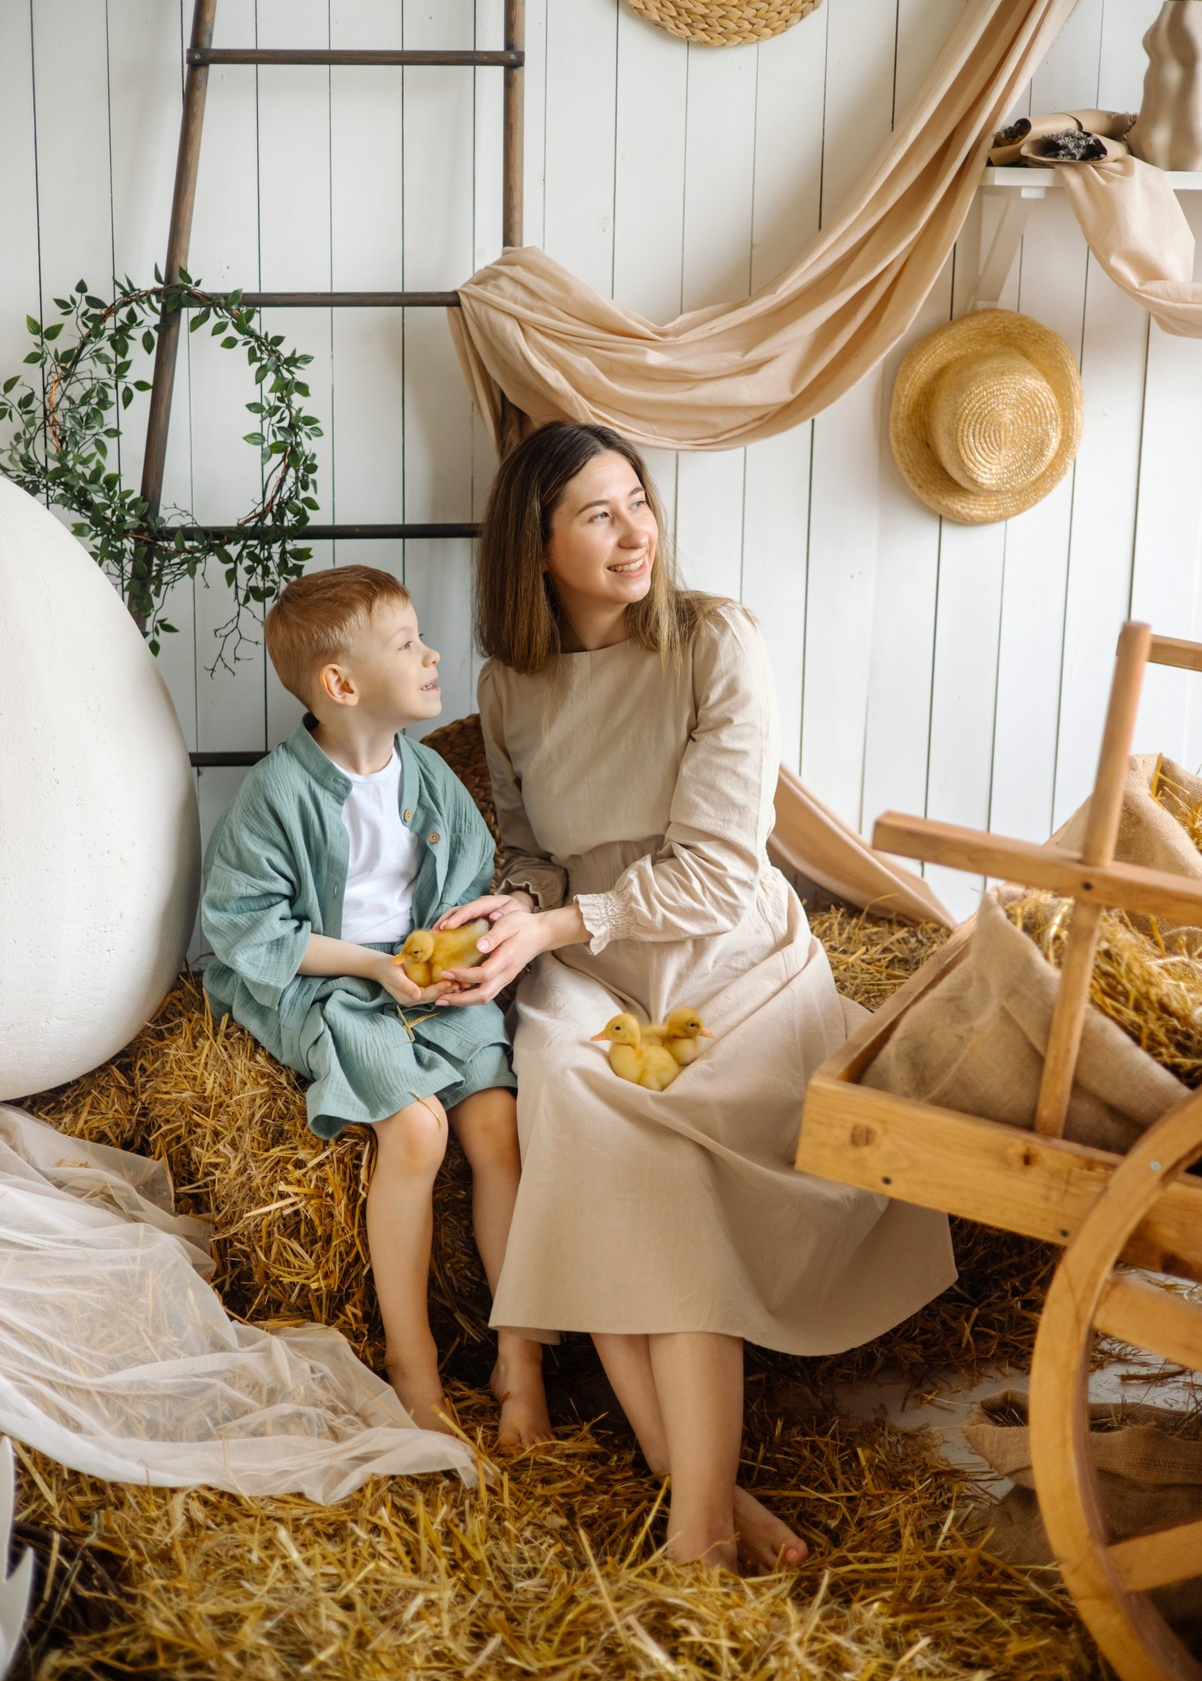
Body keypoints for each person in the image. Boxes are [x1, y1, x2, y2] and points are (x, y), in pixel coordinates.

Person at [433, 422, 957, 1569]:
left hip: (729, 963)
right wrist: (505, 915)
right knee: (597, 1152)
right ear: (535, 547)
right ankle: (707, 1499)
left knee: (654, 1167)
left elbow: (721, 868)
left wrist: (557, 924)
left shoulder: (716, 639)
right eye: (597, 514)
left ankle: (693, 1518)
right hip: (590, 973)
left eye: (639, 502)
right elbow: (528, 851)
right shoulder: (506, 684)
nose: (635, 533)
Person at [201, 564, 550, 1448]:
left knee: (496, 1126)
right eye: (407, 644)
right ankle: (413, 1360)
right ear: (342, 685)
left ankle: (521, 1356)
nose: (433, 654)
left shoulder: (428, 777)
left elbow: (469, 882)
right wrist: (376, 966)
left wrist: (457, 959)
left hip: (423, 977)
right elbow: (247, 925)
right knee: (420, 1130)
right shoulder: (277, 794)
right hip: (333, 985)